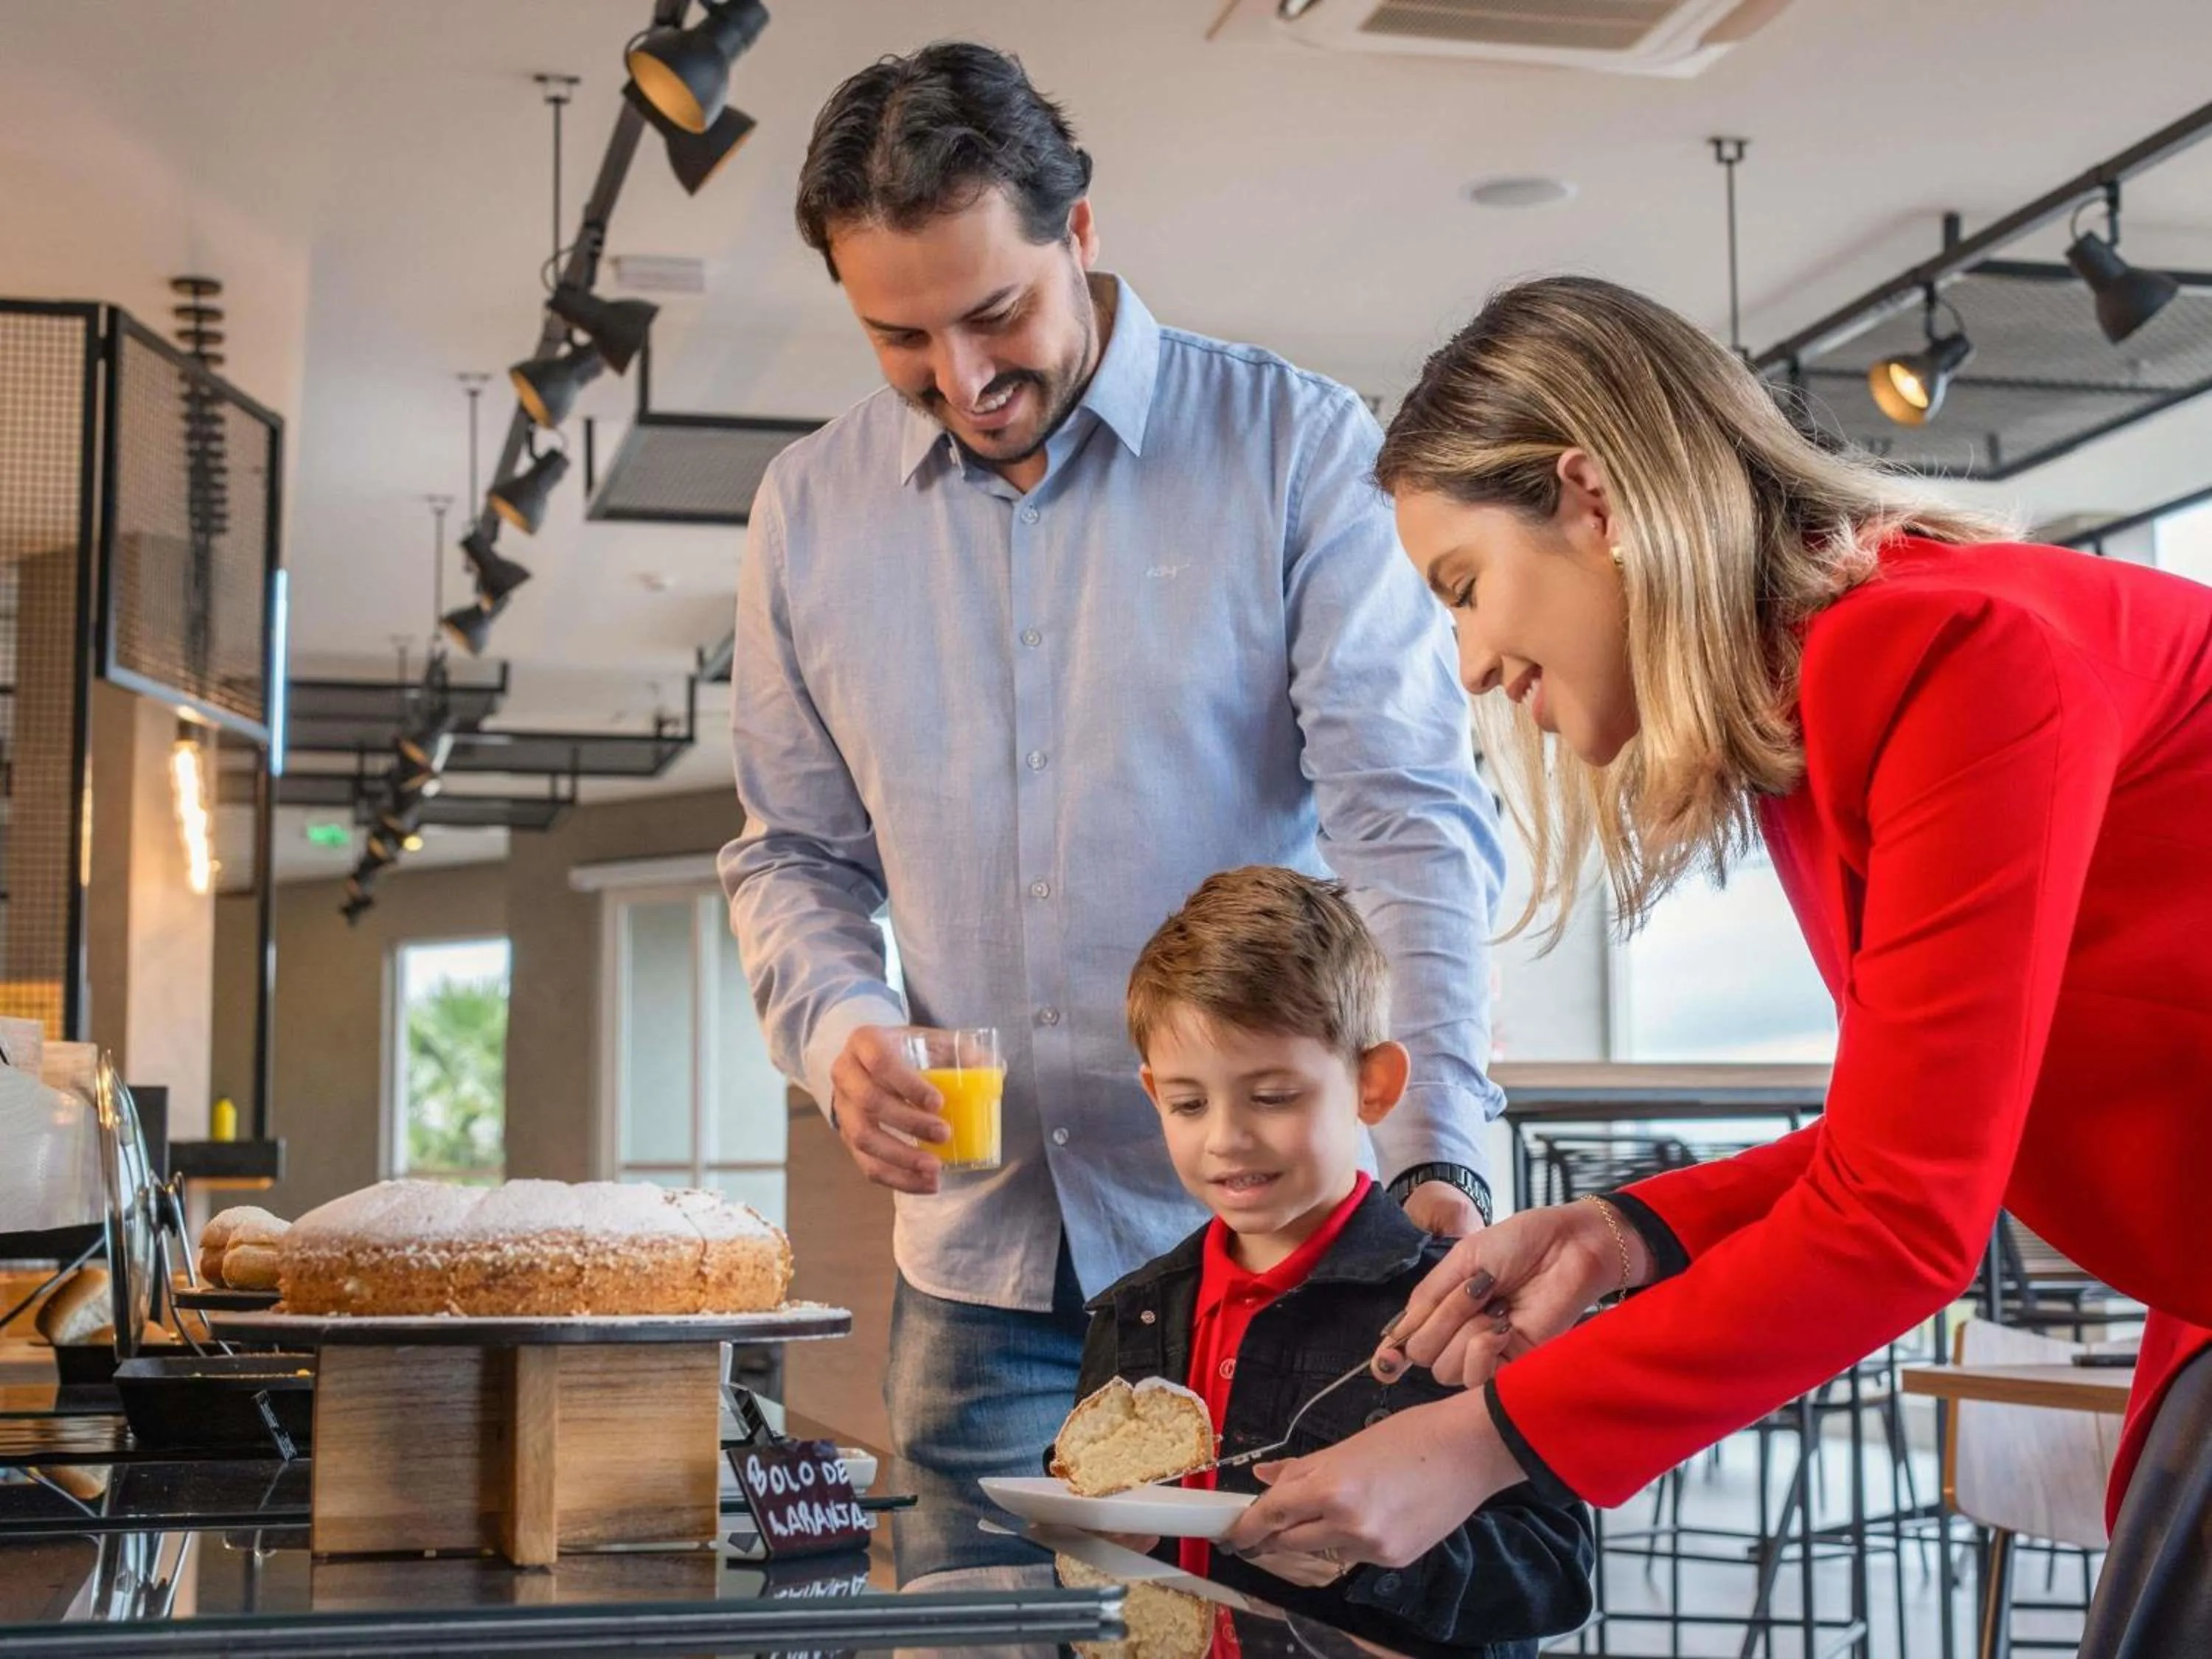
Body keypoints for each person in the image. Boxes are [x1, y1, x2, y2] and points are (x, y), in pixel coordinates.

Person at [1223, 274, 2212, 1653]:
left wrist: (1480, 1444)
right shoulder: (1834, 703)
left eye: (1465, 590)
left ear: (1594, 498)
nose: (1467, 663)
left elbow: (1905, 1219)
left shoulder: (1947, 652)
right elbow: (1931, 1138)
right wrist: (1627, 1230)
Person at [719, 43, 1506, 1577]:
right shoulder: (806, 515)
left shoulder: (1294, 448)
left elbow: (1405, 825)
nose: (964, 379)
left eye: (996, 311)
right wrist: (839, 1030)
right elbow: (793, 856)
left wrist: (1440, 1154)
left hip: (1273, 1259)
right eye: (901, 337)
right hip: (983, 1275)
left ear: (1078, 233)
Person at [1057, 866, 1593, 1655]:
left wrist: (1372, 1562)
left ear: (1372, 1086)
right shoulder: (1133, 1308)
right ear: (1152, 1094)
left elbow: (1554, 1574)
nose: (1226, 1138)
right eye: (1189, 1103)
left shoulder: (1458, 1312)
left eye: (1272, 1097)